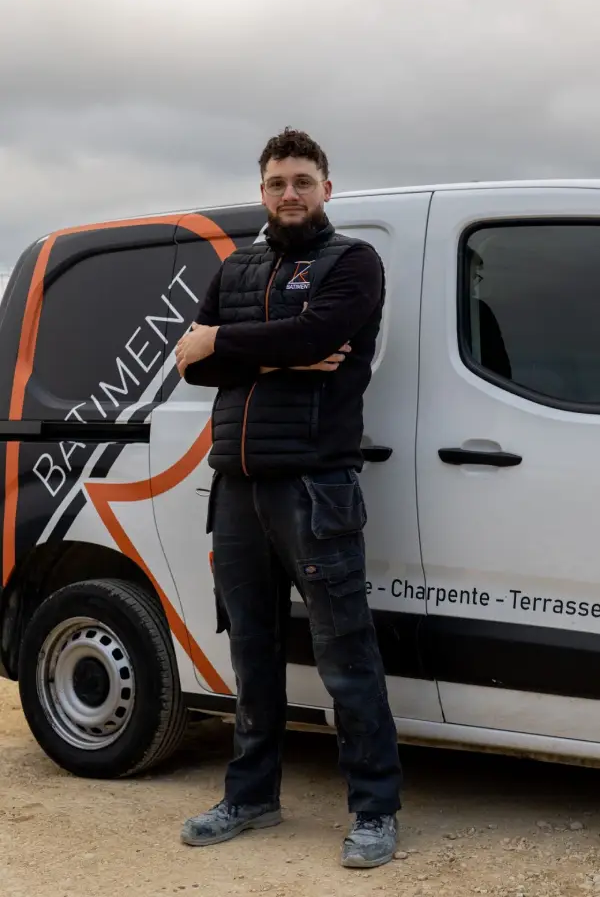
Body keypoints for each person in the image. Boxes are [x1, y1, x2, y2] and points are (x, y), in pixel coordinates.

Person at [175, 128, 402, 869]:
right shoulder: (237, 266)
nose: (289, 195)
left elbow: (323, 337)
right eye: (276, 183)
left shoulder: (355, 263)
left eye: (303, 181)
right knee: (253, 650)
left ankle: (374, 810)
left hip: (315, 484)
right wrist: (277, 349)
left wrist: (233, 344)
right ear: (262, 191)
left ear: (326, 189)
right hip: (236, 487)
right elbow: (193, 366)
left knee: (346, 653)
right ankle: (251, 797)